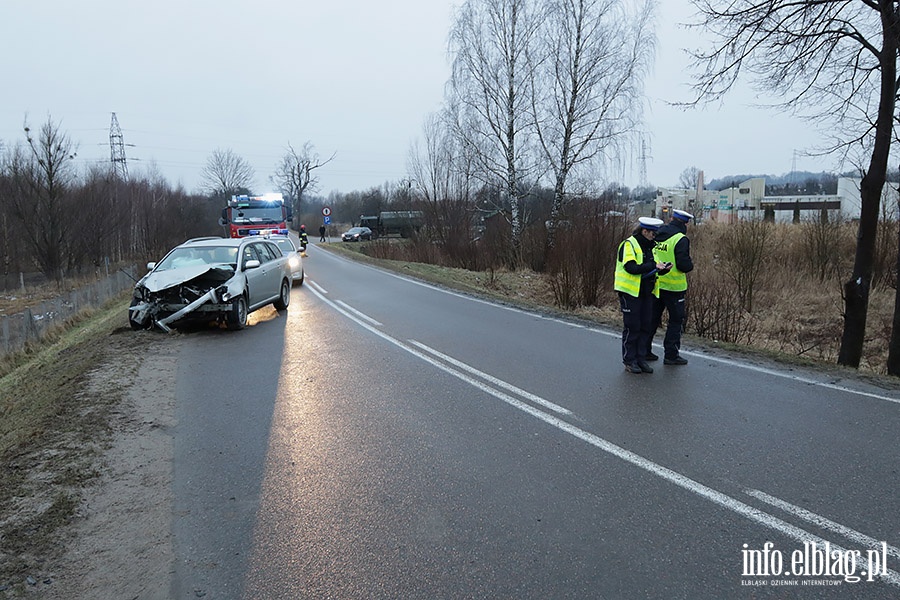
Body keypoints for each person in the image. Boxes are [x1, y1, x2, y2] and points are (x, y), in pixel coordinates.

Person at [615, 217, 671, 374]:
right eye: (653, 233)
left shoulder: (651, 247)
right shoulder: (629, 245)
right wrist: (653, 266)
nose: (655, 236)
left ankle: (641, 359)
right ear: (645, 231)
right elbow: (631, 267)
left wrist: (663, 268)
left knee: (646, 326)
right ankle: (629, 360)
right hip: (630, 292)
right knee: (633, 327)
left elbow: (653, 266)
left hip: (647, 292)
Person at [647, 209, 694, 365]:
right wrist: (690, 265)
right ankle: (671, 355)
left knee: (652, 319)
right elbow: (683, 265)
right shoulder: (681, 239)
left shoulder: (658, 233)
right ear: (685, 223)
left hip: (657, 284)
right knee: (675, 321)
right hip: (674, 288)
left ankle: (645, 350)